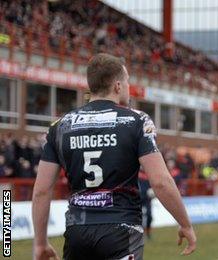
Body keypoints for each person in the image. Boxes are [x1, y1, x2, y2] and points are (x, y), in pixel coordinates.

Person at [32, 53, 196, 260]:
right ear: (118, 86)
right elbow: (161, 182)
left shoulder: (60, 126)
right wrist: (185, 223)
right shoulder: (136, 120)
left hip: (77, 231)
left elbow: (41, 190)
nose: (129, 86)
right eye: (127, 81)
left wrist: (40, 242)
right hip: (121, 229)